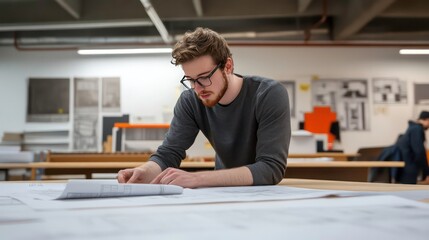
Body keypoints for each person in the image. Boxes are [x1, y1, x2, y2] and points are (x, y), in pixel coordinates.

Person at [117, 27, 291, 188]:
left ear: (228, 66)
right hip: (222, 192)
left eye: (204, 77)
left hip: (264, 194)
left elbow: (270, 168)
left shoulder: (268, 94)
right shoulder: (191, 100)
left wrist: (196, 178)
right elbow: (168, 153)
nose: (197, 88)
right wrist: (145, 171)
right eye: (191, 80)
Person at [395, 111, 429, 184]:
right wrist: (426, 172)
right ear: (427, 120)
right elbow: (419, 152)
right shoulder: (417, 129)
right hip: (409, 168)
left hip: (406, 167)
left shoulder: (412, 128)